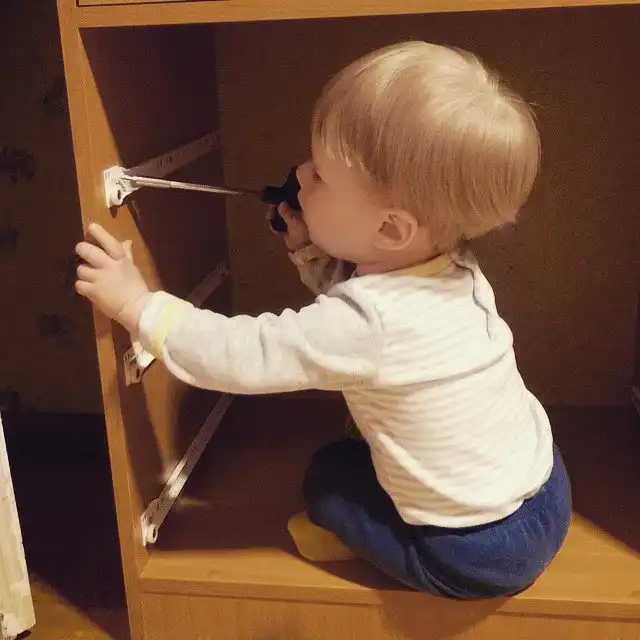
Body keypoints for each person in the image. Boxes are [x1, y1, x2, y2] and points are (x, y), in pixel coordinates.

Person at [74, 41, 571, 599]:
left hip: (474, 553)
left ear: (390, 230)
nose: (299, 174)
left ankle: (385, 545)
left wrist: (137, 305)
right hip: (546, 491)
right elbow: (367, 312)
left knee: (328, 479)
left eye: (321, 176)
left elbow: (242, 354)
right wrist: (312, 251)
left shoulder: (367, 325)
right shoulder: (457, 270)